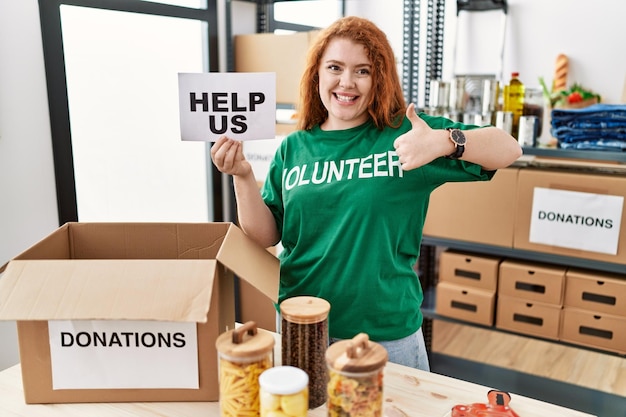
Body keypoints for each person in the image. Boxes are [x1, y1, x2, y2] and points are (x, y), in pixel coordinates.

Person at [211, 16, 522, 371]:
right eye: (335, 67)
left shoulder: (407, 134)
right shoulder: (294, 147)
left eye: (363, 70)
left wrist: (442, 141)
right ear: (317, 75)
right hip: (302, 323)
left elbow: (508, 148)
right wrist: (242, 175)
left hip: (384, 335)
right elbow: (266, 234)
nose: (347, 82)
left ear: (379, 79)